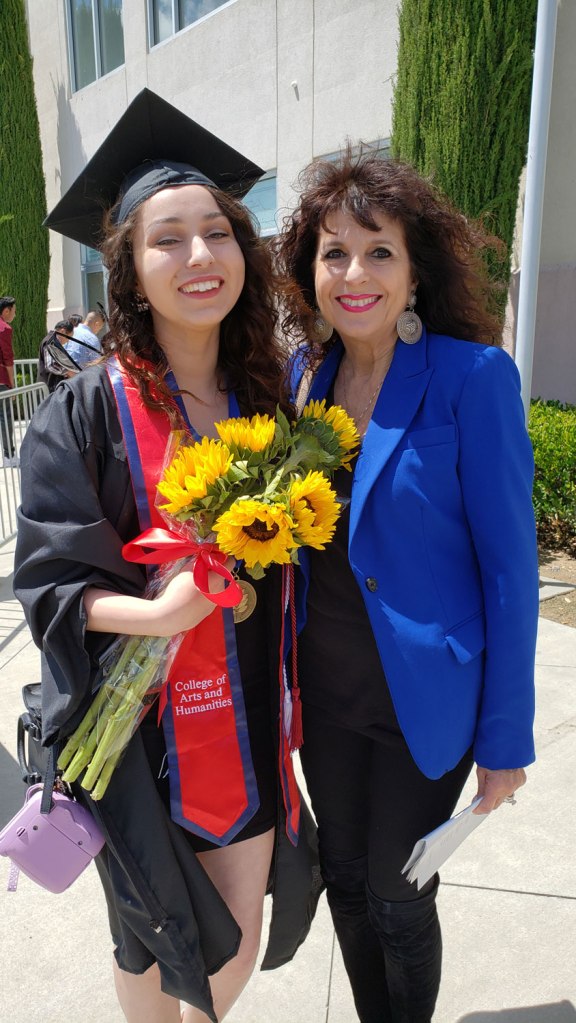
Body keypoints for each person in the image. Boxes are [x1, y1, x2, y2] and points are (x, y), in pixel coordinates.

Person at [14, 90, 320, 1023]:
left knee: (236, 933)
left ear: (243, 251)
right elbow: (51, 578)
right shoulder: (87, 409)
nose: (198, 257)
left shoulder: (271, 395)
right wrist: (156, 612)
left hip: (253, 713)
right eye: (167, 238)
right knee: (145, 940)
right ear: (130, 270)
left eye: (218, 234)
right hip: (131, 725)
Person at [275, 150, 539, 1023]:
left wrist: (506, 739)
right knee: (344, 880)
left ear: (415, 266)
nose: (355, 274)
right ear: (308, 269)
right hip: (328, 694)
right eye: (334, 252)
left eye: (378, 251)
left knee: (398, 888)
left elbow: (509, 572)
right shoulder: (302, 382)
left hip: (427, 700)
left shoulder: (473, 379)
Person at [37, 318, 81, 392]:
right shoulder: (50, 342)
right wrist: (69, 372)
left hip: (50, 387)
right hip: (49, 387)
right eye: (68, 338)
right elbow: (51, 365)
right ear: (63, 331)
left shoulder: (53, 342)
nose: (68, 341)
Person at [0, 295, 18, 466]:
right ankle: (9, 455)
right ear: (6, 311)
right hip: (1, 381)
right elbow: (8, 358)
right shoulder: (4, 328)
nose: (14, 314)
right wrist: (12, 384)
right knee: (5, 417)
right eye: (13, 311)